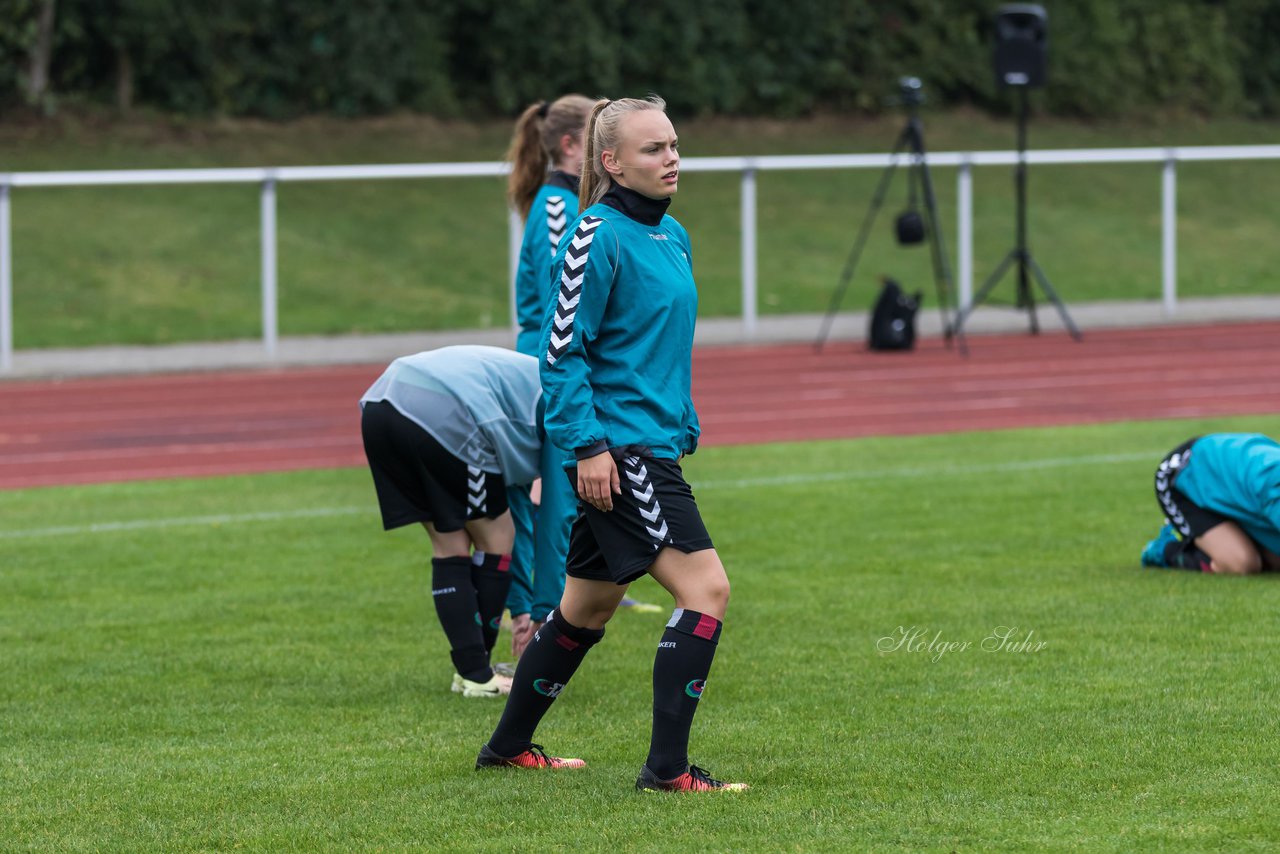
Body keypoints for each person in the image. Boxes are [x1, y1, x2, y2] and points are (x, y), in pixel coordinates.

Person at [476, 96, 747, 792]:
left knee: (584, 609)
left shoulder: (673, 236)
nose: (672, 157)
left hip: (651, 446)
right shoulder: (593, 236)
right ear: (611, 162)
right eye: (654, 148)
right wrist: (589, 446)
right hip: (621, 455)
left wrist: (680, 421)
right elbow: (561, 354)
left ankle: (506, 748)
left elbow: (650, 347)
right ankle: (667, 772)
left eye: (675, 144)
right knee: (706, 590)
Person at [504, 95, 656, 658]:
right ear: (575, 146)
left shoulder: (579, 209)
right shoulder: (556, 210)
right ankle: (535, 624)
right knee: (549, 503)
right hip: (545, 371)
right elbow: (558, 312)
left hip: (567, 369)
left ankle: (588, 593)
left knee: (567, 501)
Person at [360, 345, 545, 697]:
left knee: (451, 542)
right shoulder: (566, 406)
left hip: (379, 403)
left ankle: (471, 671)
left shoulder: (542, 381)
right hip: (443, 411)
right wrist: (538, 605)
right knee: (498, 536)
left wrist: (523, 605)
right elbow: (546, 513)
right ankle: (477, 675)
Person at [1140, 433, 1280, 574]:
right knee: (1240, 563)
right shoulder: (1274, 486)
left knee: (1274, 560)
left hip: (1235, 491)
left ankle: (1234, 534)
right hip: (1184, 475)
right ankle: (1166, 549)